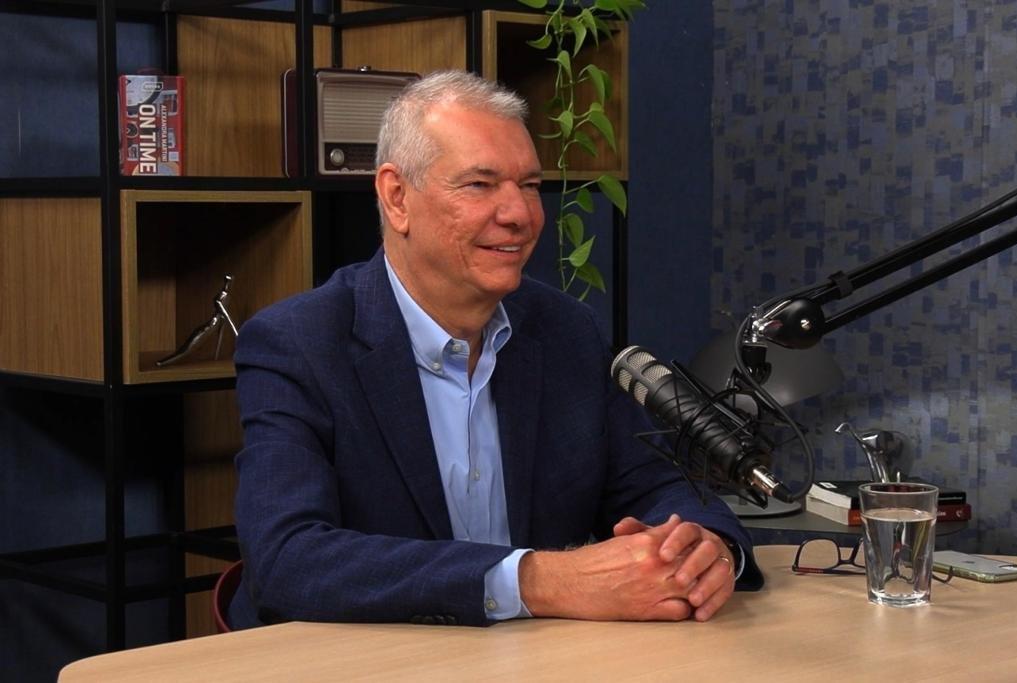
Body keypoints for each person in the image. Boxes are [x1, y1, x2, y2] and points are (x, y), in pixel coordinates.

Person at [229, 70, 762, 630]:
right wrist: (539, 580)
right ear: (396, 197)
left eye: (529, 185)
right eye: (480, 185)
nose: (521, 215)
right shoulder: (299, 343)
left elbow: (658, 486)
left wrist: (708, 550)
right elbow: (286, 560)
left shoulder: (564, 330)